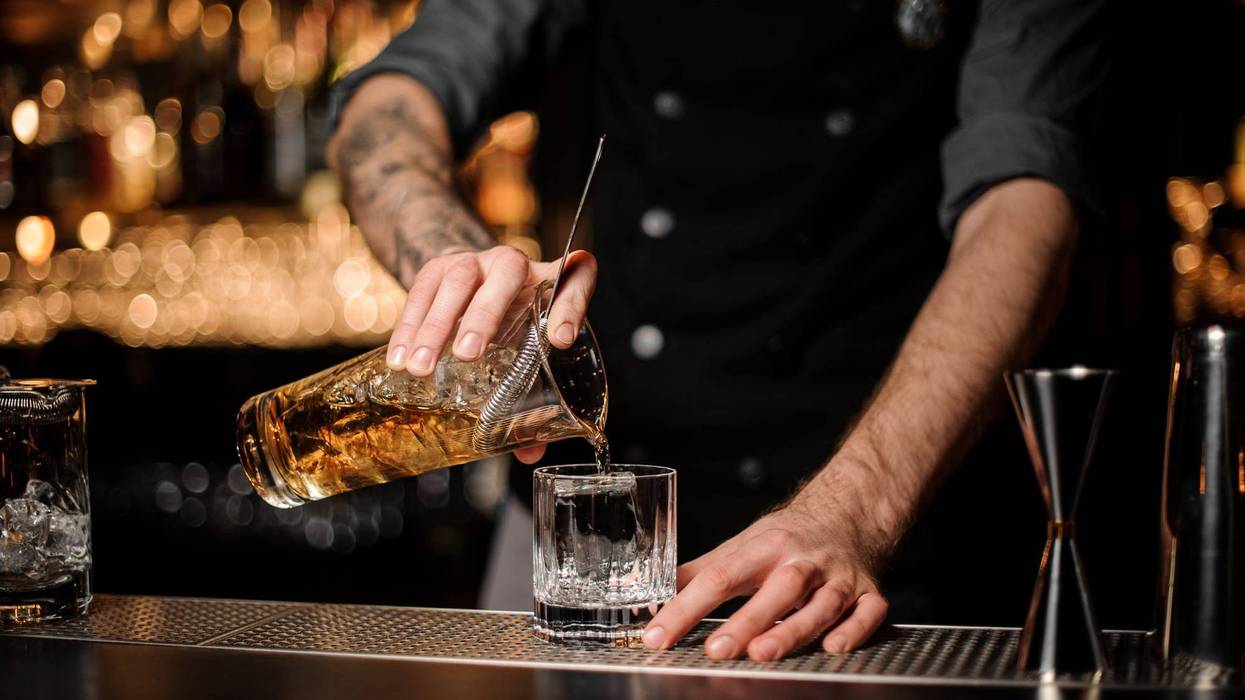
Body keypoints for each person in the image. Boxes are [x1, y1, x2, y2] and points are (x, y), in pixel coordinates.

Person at [328, 0, 1106, 662]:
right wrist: (455, 267)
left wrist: (856, 511)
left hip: (889, 510)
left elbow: (1025, 202)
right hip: (598, 530)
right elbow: (389, 103)